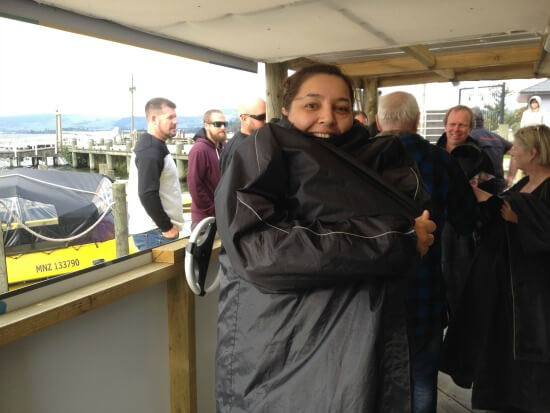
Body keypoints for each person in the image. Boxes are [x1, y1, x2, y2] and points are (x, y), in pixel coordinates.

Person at [214, 64, 436, 412]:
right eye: (312, 105)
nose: (328, 118)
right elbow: (259, 250)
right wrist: (397, 239)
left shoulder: (378, 156)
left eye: (342, 107)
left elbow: (414, 211)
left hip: (363, 336)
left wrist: (399, 235)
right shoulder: (264, 149)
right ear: (286, 109)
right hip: (284, 342)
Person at [376, 91, 479, 413]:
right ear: (417, 121)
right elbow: (467, 221)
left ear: (379, 121)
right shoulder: (441, 161)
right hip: (425, 290)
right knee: (421, 379)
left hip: (370, 295)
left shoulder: (358, 158)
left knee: (373, 381)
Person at [441, 125, 550, 413]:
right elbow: (503, 209)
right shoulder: (523, 183)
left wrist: (521, 219)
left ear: (534, 152)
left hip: (533, 291)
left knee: (530, 351)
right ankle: (504, 397)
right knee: (500, 345)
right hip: (505, 284)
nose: (512, 152)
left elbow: (533, 221)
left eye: (517, 147)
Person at [127, 97, 183, 251]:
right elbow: (147, 193)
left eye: (175, 117)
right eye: (170, 117)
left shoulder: (154, 146)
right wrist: (167, 228)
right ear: (154, 119)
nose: (176, 121)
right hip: (154, 233)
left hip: (156, 232)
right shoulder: (150, 151)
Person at [187, 109, 227, 228]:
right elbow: (194, 186)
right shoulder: (198, 150)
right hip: (205, 221)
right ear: (206, 125)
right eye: (218, 124)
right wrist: (213, 210)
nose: (223, 127)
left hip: (224, 217)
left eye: (225, 124)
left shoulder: (224, 147)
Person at [470, 106, 513, 194]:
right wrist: (511, 176)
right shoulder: (496, 137)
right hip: (499, 184)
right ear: (482, 120)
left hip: (478, 186)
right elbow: (515, 151)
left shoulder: (468, 137)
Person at [219, 97, 266, 173]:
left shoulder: (256, 139)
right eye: (262, 117)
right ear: (244, 118)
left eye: (267, 115)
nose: (266, 120)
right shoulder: (236, 151)